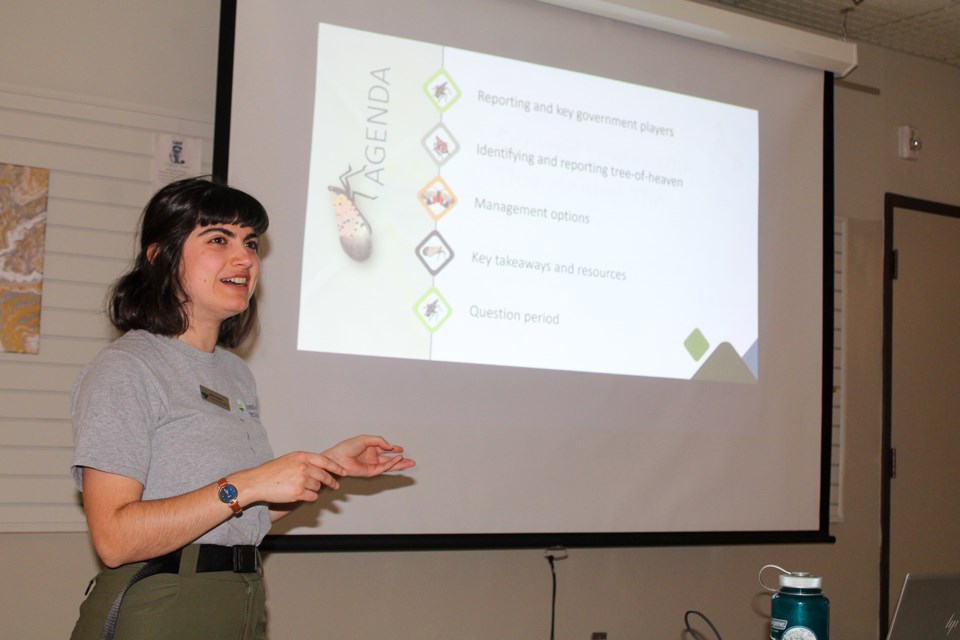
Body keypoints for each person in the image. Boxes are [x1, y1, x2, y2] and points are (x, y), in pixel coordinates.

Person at [69, 176, 415, 639]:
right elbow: (114, 539)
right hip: (159, 602)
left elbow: (239, 512)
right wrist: (248, 483)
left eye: (251, 243)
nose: (245, 259)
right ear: (159, 258)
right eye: (218, 239)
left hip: (241, 597)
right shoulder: (127, 369)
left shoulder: (234, 374)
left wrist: (327, 466)